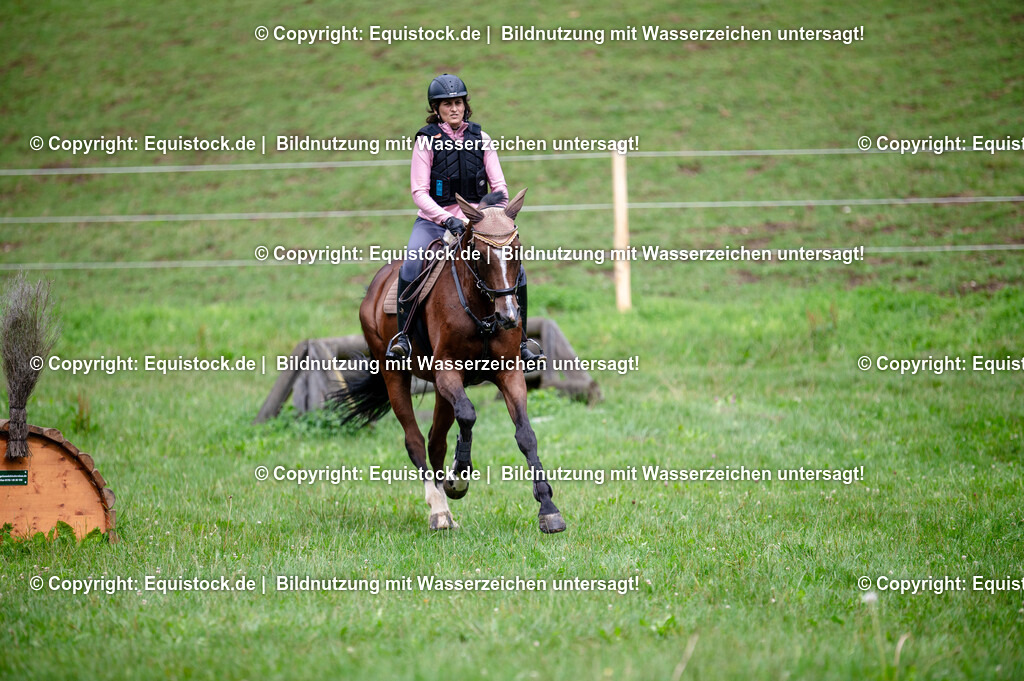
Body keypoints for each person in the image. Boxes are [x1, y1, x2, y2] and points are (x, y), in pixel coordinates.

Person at [386, 74, 545, 368]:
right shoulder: (426, 141)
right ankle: (403, 338)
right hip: (435, 222)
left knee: (515, 269)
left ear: (465, 105)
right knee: (411, 262)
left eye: (458, 102)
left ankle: (521, 341)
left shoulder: (482, 139)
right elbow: (419, 192)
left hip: (478, 224)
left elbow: (500, 189)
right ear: (437, 108)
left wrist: (483, 216)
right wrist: (447, 219)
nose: (454, 109)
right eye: (447, 104)